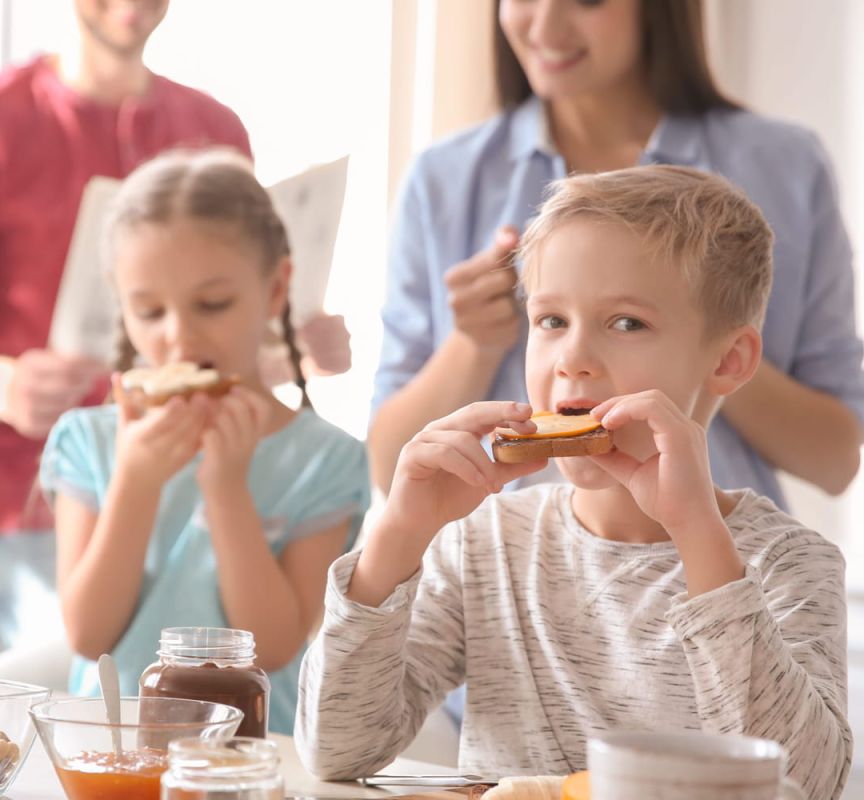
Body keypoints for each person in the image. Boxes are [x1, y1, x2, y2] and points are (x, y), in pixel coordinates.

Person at [297, 166, 851, 800]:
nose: (572, 357)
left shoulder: (787, 563)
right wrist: (398, 533)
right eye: (551, 320)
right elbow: (336, 750)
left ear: (727, 360)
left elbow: (804, 782)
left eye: (626, 324)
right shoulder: (485, 545)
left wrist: (697, 533)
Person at [0, 0, 349, 652]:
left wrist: (287, 342)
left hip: (231, 481)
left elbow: (227, 324)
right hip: (35, 502)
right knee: (94, 660)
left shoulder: (215, 127)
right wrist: (9, 387)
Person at [369, 0, 864, 508]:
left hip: (720, 566)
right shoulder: (441, 179)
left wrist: (699, 332)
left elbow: (835, 459)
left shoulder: (785, 166)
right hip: (505, 578)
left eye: (585, 1)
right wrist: (473, 343)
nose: (545, 26)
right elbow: (390, 470)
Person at [39, 150, 370, 735]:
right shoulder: (89, 440)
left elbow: (271, 648)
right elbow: (89, 636)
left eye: (213, 304)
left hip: (252, 758)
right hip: (112, 751)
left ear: (275, 290)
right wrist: (134, 482)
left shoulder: (325, 460)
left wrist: (225, 489)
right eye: (148, 310)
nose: (179, 336)